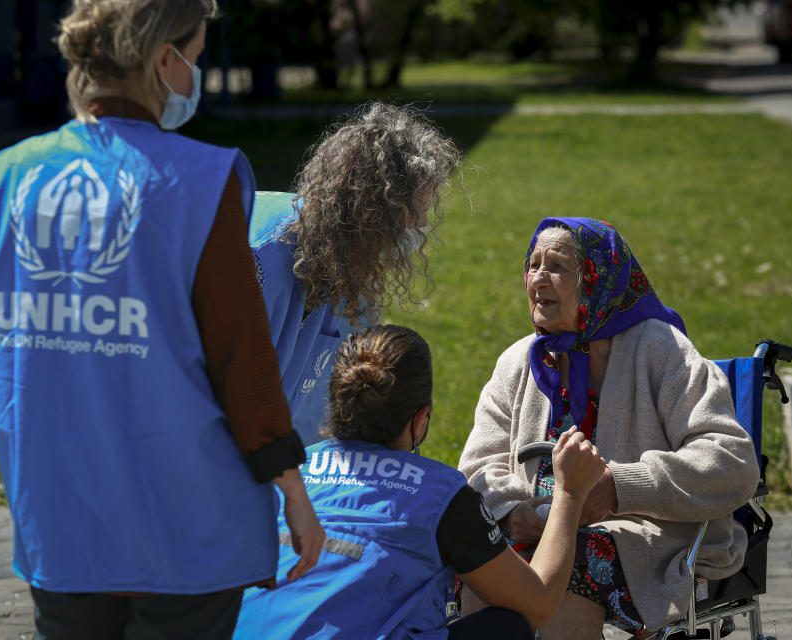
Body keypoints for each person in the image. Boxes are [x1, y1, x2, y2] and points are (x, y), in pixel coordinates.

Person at [0, 1, 323, 637]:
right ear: (165, 60)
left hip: (59, 518)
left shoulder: (3, 178)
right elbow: (242, 360)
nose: (196, 74)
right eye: (198, 56)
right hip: (184, 528)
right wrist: (293, 491)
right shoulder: (201, 181)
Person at [458, 217, 761, 638]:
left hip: (642, 535)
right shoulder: (518, 362)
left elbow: (732, 462)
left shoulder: (662, 350)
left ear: (598, 280)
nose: (538, 278)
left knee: (570, 571)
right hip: (538, 530)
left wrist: (618, 488)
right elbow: (478, 466)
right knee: (486, 570)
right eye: (532, 264)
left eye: (557, 267)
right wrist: (514, 512)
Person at [235, 325, 606, 639]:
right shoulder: (440, 496)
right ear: (421, 418)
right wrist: (570, 494)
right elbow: (537, 604)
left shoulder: (293, 471)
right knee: (508, 626)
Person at [248, 103, 462, 445]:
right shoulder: (256, 257)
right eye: (414, 214)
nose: (421, 227)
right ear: (369, 211)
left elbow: (346, 403)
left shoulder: (357, 266)